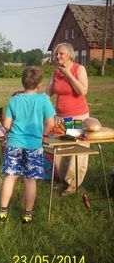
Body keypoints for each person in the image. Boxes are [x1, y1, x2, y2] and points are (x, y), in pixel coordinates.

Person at [0, 67, 56, 224]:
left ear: (22, 82)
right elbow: (51, 123)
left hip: (14, 143)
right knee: (30, 180)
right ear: (39, 84)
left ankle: (2, 213)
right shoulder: (44, 99)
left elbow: (7, 125)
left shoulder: (14, 100)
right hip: (34, 145)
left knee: (10, 177)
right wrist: (42, 132)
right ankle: (27, 215)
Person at [45, 42, 89, 197]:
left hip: (77, 116)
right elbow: (48, 93)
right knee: (61, 151)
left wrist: (69, 75)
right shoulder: (56, 72)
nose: (57, 56)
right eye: (56, 54)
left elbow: (82, 90)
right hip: (60, 117)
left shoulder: (79, 69)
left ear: (70, 55)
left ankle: (73, 184)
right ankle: (63, 180)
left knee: (76, 151)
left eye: (61, 53)